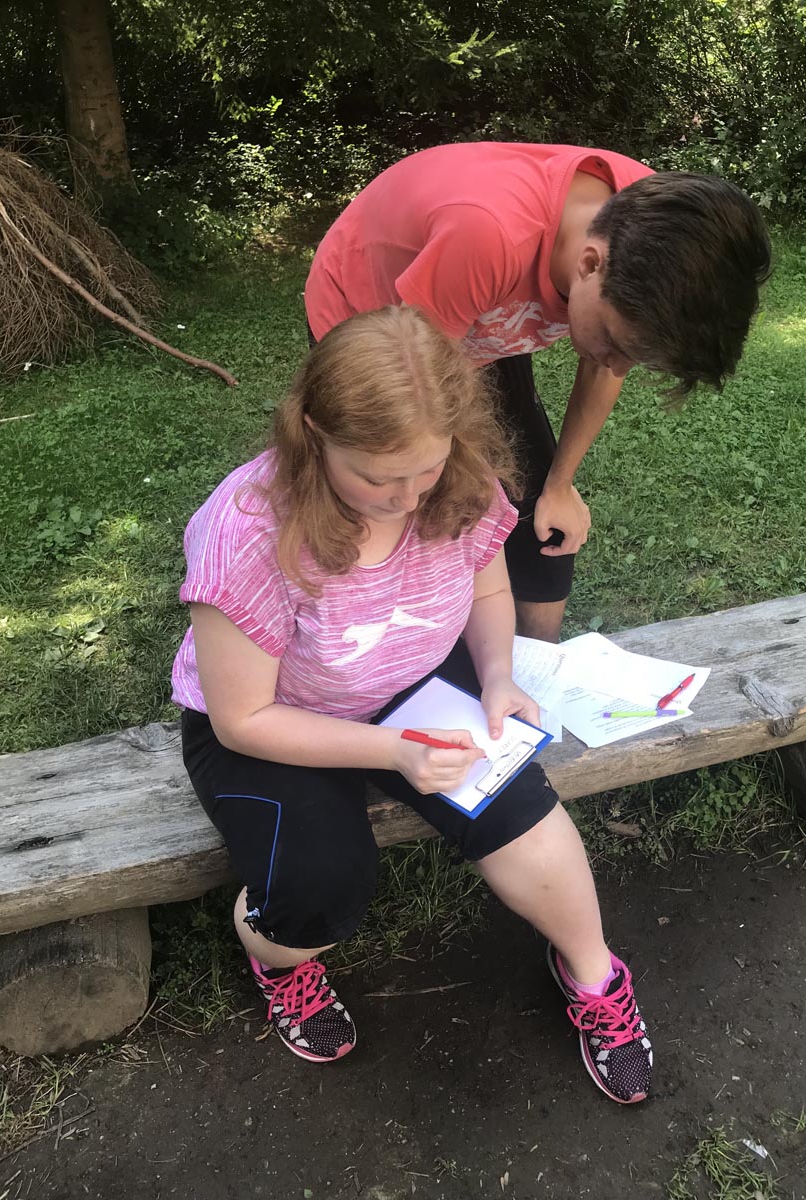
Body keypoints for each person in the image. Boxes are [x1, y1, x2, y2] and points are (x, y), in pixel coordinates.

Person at [171, 306, 653, 1104]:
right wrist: (393, 753)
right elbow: (241, 719)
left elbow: (487, 586)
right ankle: (276, 958)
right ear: (315, 432)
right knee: (320, 890)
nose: (404, 499)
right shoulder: (246, 531)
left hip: (410, 685)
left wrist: (496, 676)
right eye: (376, 477)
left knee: (519, 808)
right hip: (277, 721)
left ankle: (595, 976)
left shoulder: (458, 478)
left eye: (423, 471)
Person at [305, 141, 772, 642]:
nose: (616, 366)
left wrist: (560, 485)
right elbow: (425, 398)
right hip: (379, 322)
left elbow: (604, 365)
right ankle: (386, 652)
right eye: (615, 344)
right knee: (410, 501)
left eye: (635, 356)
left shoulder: (658, 229)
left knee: (536, 517)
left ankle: (538, 663)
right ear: (589, 265)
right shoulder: (486, 237)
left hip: (476, 308)